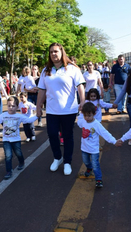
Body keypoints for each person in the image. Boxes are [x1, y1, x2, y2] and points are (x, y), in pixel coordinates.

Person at [36, 42, 85, 176]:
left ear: (61, 52)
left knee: (68, 136)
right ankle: (58, 158)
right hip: (52, 110)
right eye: (51, 52)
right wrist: (38, 105)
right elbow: (41, 89)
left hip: (68, 110)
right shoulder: (46, 71)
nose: (53, 54)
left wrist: (82, 101)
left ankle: (67, 161)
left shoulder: (72, 69)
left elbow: (80, 86)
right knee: (52, 134)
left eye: (56, 51)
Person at [0, 96, 37, 180]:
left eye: (13, 106)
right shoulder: (3, 115)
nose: (11, 108)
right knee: (8, 155)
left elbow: (29, 120)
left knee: (18, 153)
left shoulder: (19, 116)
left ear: (17, 107)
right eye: (9, 105)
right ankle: (9, 171)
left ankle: (21, 162)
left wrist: (37, 115)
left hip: (16, 140)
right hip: (6, 140)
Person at [77, 102, 118, 188]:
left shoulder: (96, 124)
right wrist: (80, 113)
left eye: (89, 115)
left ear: (94, 114)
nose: (87, 118)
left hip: (94, 150)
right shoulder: (83, 121)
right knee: (86, 162)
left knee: (96, 165)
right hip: (84, 148)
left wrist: (114, 141)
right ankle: (89, 168)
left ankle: (98, 179)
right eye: (85, 115)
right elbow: (79, 122)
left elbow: (104, 133)